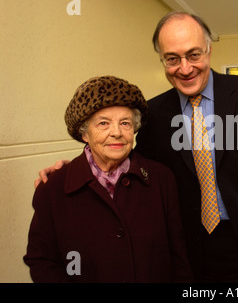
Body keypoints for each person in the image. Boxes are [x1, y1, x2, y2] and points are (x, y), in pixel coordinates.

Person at [36, 12, 238, 283]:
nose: (185, 68)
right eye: (172, 59)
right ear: (162, 60)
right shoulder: (153, 112)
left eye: (194, 55)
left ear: (209, 50)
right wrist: (75, 169)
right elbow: (128, 161)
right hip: (191, 247)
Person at [24, 75, 192, 283]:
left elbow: (179, 257)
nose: (117, 133)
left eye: (125, 123)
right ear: (84, 133)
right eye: (103, 123)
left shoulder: (161, 179)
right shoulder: (54, 187)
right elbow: (42, 261)